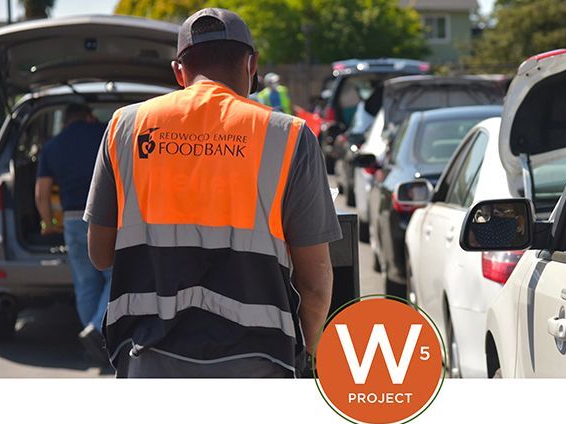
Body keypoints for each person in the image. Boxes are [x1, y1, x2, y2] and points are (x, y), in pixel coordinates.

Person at [83, 8, 341, 378]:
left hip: (148, 358)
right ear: (252, 66)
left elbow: (100, 254)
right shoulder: (288, 135)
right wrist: (310, 351)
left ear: (178, 72)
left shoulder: (125, 127)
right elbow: (315, 283)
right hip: (258, 363)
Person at [35, 102, 109, 364]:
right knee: (117, 275)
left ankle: (96, 341)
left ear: (65, 121)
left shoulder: (53, 146)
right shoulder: (105, 132)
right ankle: (98, 330)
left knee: (86, 282)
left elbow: (41, 193)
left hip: (72, 219)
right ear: (89, 116)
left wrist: (49, 223)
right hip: (109, 215)